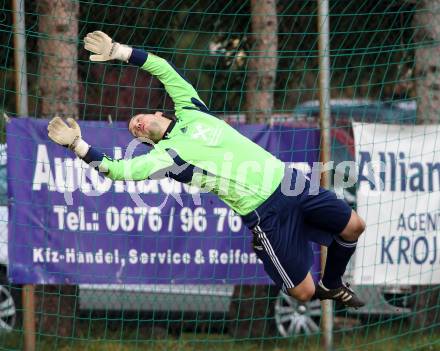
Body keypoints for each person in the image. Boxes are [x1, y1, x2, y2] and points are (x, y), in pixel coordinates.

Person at [47, 31, 366, 308]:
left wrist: (119, 51)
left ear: (157, 112)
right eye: (136, 132)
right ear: (146, 141)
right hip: (264, 213)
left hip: (288, 182)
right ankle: (277, 257)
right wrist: (78, 145)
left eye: (139, 120)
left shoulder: (190, 108)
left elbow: (163, 69)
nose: (139, 126)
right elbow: (116, 171)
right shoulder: (166, 157)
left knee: (354, 226)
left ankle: (335, 284)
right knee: (303, 293)